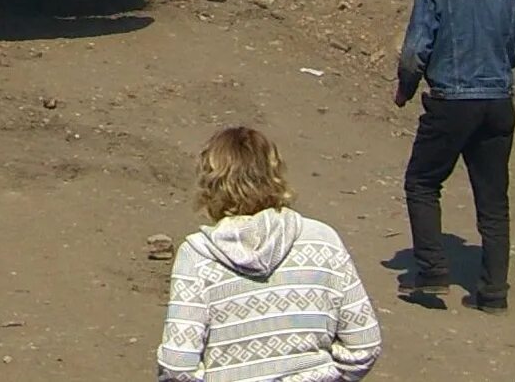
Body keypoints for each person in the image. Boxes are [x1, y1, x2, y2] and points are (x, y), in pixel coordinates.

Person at [157, 126, 380, 381]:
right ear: (274, 173)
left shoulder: (198, 256)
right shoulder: (323, 240)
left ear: (211, 183)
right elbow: (364, 345)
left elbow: (178, 366)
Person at [395, 0, 515, 311]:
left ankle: (434, 270)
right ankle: (493, 292)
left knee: (422, 182)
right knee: (493, 200)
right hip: (497, 101)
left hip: (452, 100)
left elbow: (416, 49)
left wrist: (405, 88)